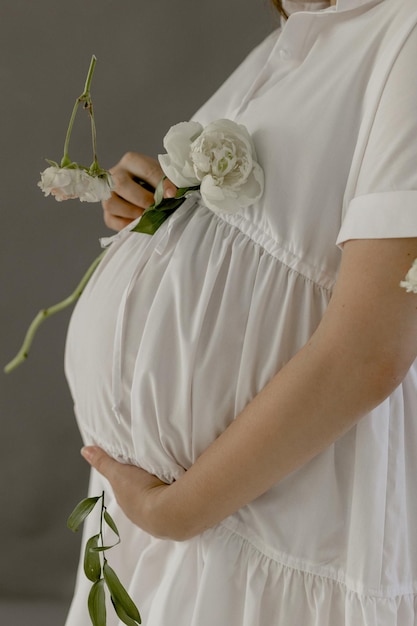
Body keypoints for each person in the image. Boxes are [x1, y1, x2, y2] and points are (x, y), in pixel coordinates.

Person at [64, 0, 417, 624]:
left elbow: (372, 348)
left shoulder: (404, 33)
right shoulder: (295, 38)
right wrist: (151, 211)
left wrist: (179, 511)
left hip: (268, 534)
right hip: (179, 538)